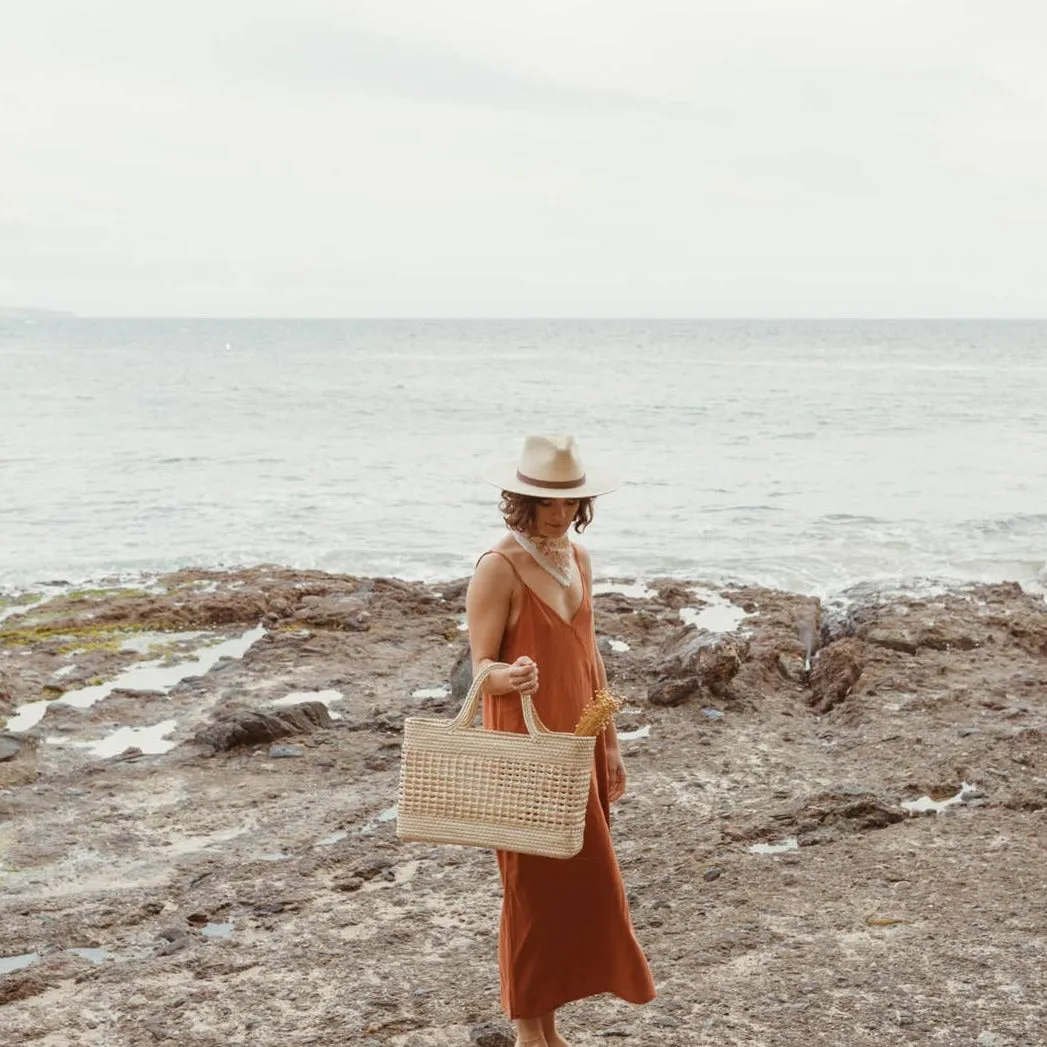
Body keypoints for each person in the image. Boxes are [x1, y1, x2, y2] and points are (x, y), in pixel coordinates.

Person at [465, 434, 656, 1047]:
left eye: (572, 500)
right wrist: (508, 675)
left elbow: (590, 657)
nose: (561, 511)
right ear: (520, 498)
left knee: (583, 887)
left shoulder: (578, 558)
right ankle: (530, 1033)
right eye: (548, 501)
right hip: (523, 750)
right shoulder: (498, 567)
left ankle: (549, 1029)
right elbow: (480, 669)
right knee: (531, 890)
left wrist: (612, 744)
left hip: (580, 745)